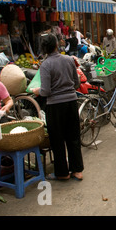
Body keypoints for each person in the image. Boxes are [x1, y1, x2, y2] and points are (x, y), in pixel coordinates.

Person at [31, 34, 84, 181]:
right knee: (73, 137)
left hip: (55, 106)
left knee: (58, 140)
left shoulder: (45, 65)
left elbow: (46, 91)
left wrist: (37, 91)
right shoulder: (69, 60)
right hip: (71, 103)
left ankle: (62, 173)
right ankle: (77, 170)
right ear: (56, 44)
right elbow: (76, 83)